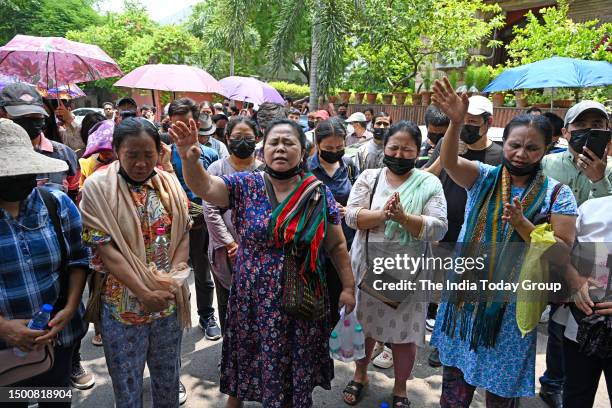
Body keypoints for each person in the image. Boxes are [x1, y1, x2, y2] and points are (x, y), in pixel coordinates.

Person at [170, 118, 356, 408]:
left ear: (304, 150)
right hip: (252, 297)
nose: (280, 148)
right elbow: (205, 187)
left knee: (293, 362)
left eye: (288, 142)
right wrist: (188, 158)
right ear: (263, 150)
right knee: (248, 353)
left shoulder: (318, 193)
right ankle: (237, 399)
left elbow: (336, 244)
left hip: (300, 297)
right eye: (274, 143)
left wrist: (348, 286)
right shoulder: (245, 184)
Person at [430, 77, 578, 407]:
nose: (521, 154)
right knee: (454, 391)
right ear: (504, 142)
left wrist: (525, 226)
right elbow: (451, 162)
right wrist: (455, 123)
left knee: (500, 393)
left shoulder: (558, 194)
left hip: (510, 313)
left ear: (547, 148)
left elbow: (563, 254)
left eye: (532, 147)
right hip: (465, 302)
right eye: (514, 145)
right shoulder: (484, 177)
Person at [80, 117, 191, 408]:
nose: (141, 163)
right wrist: (144, 292)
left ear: (159, 152)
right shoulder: (97, 187)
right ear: (116, 150)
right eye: (132, 155)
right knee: (126, 382)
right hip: (123, 305)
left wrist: (174, 280)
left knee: (168, 376)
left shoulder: (168, 182)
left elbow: (182, 233)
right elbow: (106, 250)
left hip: (168, 300)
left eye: (148, 155)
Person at [343, 120, 448, 407]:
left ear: (418, 152)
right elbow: (351, 217)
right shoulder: (369, 177)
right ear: (384, 147)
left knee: (404, 336)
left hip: (410, 272)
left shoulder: (429, 183)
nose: (399, 155)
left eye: (407, 149)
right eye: (394, 148)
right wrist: (383, 215)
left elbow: (439, 228)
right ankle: (360, 374)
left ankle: (400, 388)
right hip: (368, 267)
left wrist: (404, 218)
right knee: (365, 328)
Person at [0, 119, 89, 407]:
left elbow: (78, 259)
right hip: (3, 352)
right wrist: (5, 328)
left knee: (55, 399)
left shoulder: (57, 203)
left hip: (56, 342)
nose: (15, 179)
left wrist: (71, 307)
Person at [552, 194, 612, 408]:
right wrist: (574, 281)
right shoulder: (591, 209)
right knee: (576, 395)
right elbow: (558, 253)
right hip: (580, 325)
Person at [168, 98, 221, 341]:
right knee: (172, 274)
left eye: (186, 124)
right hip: (170, 226)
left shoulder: (210, 154)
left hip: (202, 224)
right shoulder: (162, 154)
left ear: (196, 123)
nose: (181, 130)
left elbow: (212, 190)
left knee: (202, 273)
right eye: (175, 124)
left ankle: (206, 316)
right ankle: (175, 319)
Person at [203, 117, 262, 333]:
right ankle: (229, 354)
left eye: (248, 138)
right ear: (227, 138)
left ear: (257, 138)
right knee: (227, 302)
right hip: (226, 252)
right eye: (237, 138)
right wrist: (230, 244)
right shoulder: (217, 168)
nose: (242, 142)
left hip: (259, 251)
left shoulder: (266, 170)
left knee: (258, 304)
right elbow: (210, 210)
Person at [308, 118, 359, 324]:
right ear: (317, 144)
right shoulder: (306, 168)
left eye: (339, 146)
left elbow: (359, 198)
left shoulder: (349, 166)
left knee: (340, 294)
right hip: (314, 244)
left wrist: (347, 210)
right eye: (329, 147)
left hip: (344, 242)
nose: (334, 150)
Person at [0, 83, 80, 201]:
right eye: (21, 114)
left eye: (36, 114)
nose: (30, 119)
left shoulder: (65, 155)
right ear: (3, 114)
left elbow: (73, 193)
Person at [542, 100, 611, 206]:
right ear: (565, 133)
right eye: (580, 124)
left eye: (596, 124)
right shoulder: (546, 163)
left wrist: (599, 179)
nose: (589, 130)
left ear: (607, 130)